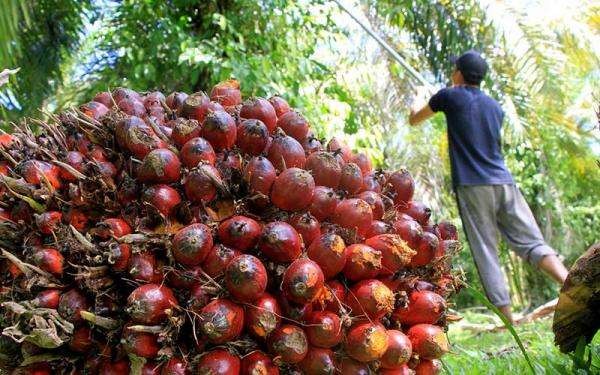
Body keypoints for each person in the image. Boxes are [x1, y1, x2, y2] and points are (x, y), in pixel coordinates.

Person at [407, 50, 569, 323]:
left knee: (486, 249)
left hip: (473, 185)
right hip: (505, 183)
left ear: (458, 72)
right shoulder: (495, 107)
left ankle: (508, 321)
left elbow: (415, 118)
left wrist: (419, 96)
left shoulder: (448, 95)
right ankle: (572, 285)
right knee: (532, 242)